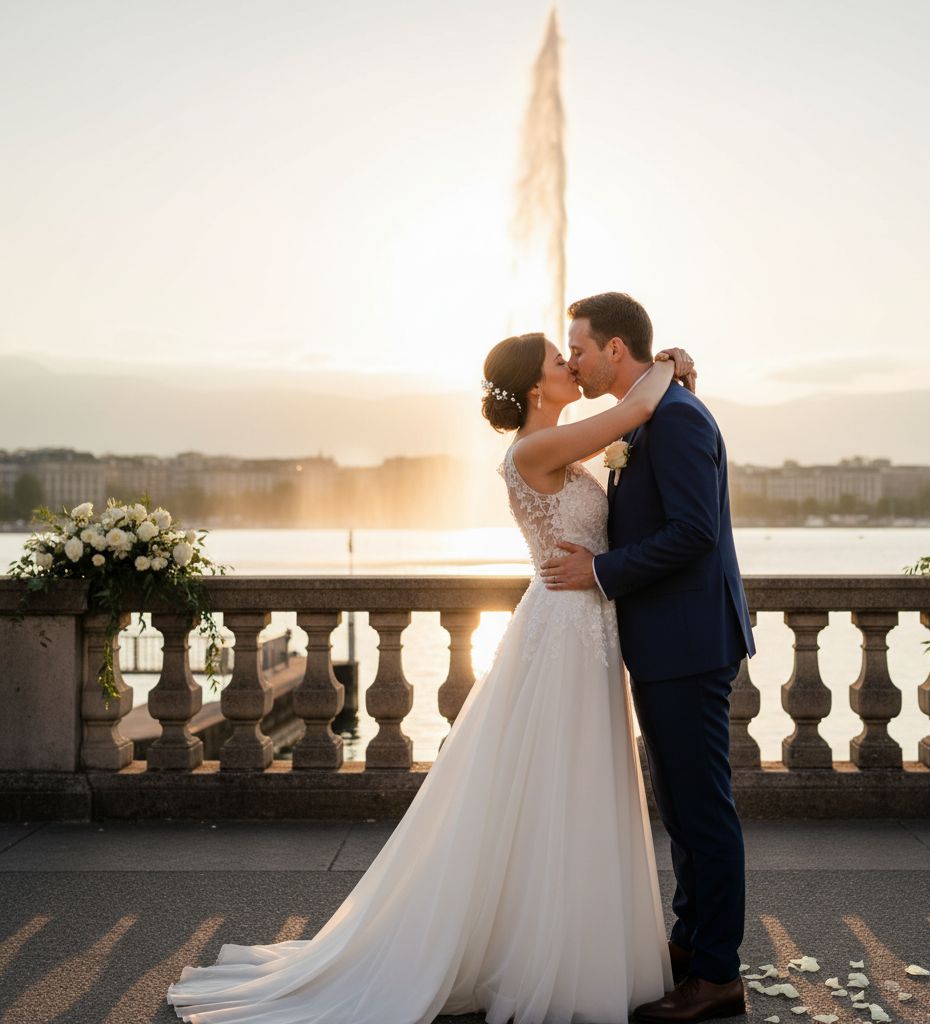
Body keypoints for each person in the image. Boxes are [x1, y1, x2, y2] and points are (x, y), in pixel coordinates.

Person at [166, 330, 695, 1024]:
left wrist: (675, 381)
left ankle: (572, 945)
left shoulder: (562, 444)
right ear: (536, 386)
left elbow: (629, 435)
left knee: (576, 783)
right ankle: (550, 956)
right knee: (556, 782)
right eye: (557, 361)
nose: (571, 365)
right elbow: (631, 415)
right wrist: (666, 367)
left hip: (584, 625)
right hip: (563, 633)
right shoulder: (534, 450)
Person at [539, 292, 756, 1024]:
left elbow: (695, 532)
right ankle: (693, 945)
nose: (572, 357)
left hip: (690, 644)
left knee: (703, 811)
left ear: (617, 351)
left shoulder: (678, 420)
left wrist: (599, 574)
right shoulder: (649, 412)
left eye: (580, 346)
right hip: (665, 643)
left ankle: (719, 974)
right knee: (683, 810)